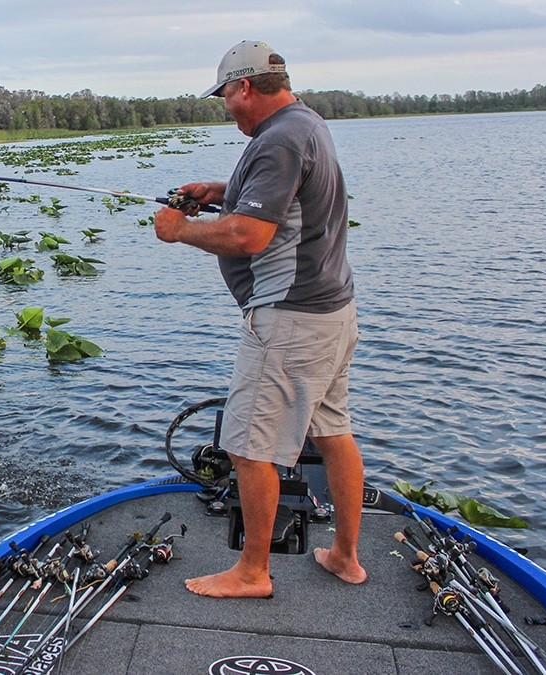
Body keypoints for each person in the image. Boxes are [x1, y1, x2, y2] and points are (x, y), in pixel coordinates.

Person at [154, 40, 367, 598]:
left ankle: (252, 573)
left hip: (291, 320)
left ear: (244, 86)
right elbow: (283, 193)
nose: (227, 106)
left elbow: (249, 235)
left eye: (226, 95)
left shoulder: (279, 139)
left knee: (249, 446)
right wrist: (220, 191)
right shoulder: (305, 124)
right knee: (332, 431)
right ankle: (345, 556)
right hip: (332, 311)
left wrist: (181, 230)